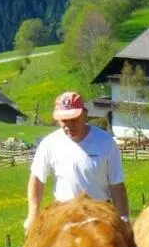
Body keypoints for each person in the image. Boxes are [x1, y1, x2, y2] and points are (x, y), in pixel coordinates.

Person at [23, 91, 130, 233]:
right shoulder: (49, 143)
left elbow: (117, 186)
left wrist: (124, 219)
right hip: (63, 212)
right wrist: (32, 214)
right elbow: (36, 178)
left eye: (74, 119)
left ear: (85, 115)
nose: (69, 125)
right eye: (64, 121)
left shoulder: (105, 142)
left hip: (99, 213)